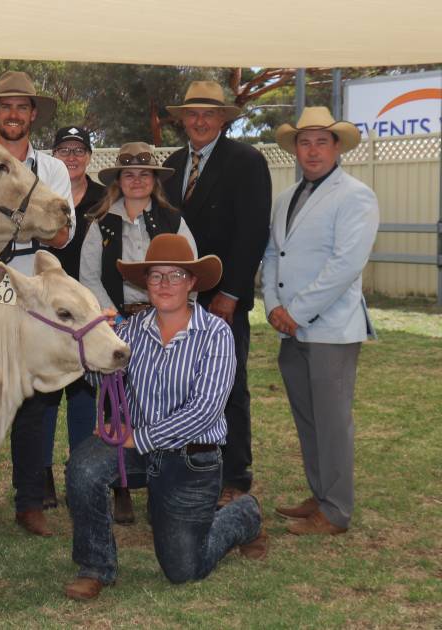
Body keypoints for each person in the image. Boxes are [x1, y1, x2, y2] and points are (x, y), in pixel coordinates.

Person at [63, 233, 266, 601]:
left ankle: (244, 514)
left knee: (183, 569)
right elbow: (99, 376)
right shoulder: (131, 332)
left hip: (191, 457)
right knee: (84, 467)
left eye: (175, 276)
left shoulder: (216, 334)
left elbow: (205, 411)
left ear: (191, 283)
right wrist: (93, 341)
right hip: (139, 446)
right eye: (156, 276)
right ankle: (95, 565)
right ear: (145, 284)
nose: (165, 284)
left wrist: (136, 437)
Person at [0, 71, 76, 539]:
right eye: (5, 107)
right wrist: (29, 221)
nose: (13, 114)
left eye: (21, 107)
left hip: (36, 295)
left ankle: (30, 502)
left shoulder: (53, 172)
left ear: (32, 115)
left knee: (37, 401)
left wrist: (8, 222)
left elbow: (63, 234)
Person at [262, 107, 378, 536]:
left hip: (330, 328)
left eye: (320, 142)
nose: (312, 151)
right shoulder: (286, 198)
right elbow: (274, 254)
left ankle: (336, 511)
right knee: (308, 418)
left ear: (336, 148)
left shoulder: (356, 196)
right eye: (304, 142)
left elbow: (345, 264)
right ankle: (320, 493)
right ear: (295, 149)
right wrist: (274, 305)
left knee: (332, 421)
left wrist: (296, 312)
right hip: (291, 327)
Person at [162, 81, 272, 509]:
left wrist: (230, 293)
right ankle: (187, 468)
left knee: (228, 385)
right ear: (183, 120)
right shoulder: (171, 167)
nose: (201, 121)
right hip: (177, 300)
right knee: (181, 385)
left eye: (210, 114)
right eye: (193, 114)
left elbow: (253, 234)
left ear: (224, 119)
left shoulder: (246, 162)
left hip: (222, 301)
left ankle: (235, 477)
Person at [79, 142, 196, 524]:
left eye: (144, 174)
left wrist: (173, 310)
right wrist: (109, 314)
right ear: (118, 181)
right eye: (128, 174)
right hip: (121, 324)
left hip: (163, 320)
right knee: (120, 403)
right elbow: (89, 277)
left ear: (154, 181)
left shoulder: (172, 220)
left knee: (164, 398)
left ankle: (167, 480)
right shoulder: (102, 223)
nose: (136, 181)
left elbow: (189, 265)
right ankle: (122, 485)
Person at [32, 126, 103, 509]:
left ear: (89, 157)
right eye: (63, 150)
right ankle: (40, 475)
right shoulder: (43, 195)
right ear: (53, 155)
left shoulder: (103, 199)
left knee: (84, 396)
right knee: (45, 395)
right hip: (49, 311)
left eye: (79, 150)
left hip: (88, 311)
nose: (71, 157)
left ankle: (81, 471)